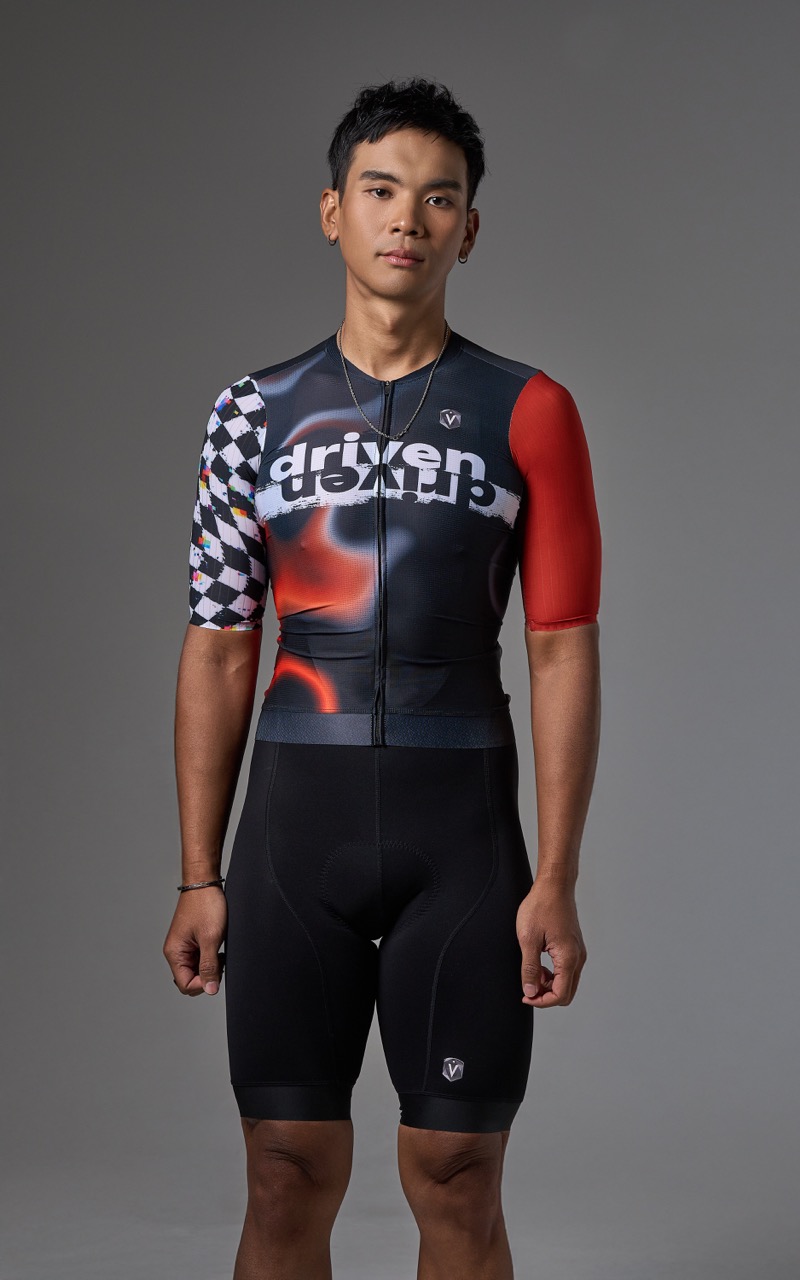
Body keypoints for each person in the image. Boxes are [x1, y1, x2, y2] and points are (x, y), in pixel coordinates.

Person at [163, 76, 602, 1280]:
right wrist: (198, 870)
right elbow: (219, 641)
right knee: (283, 1170)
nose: (408, 218)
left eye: (439, 198)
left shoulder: (531, 410)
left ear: (470, 229)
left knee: (457, 1177)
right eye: (380, 190)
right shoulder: (251, 412)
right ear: (332, 212)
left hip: (461, 838)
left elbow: (561, 647)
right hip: (290, 833)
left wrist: (556, 876)